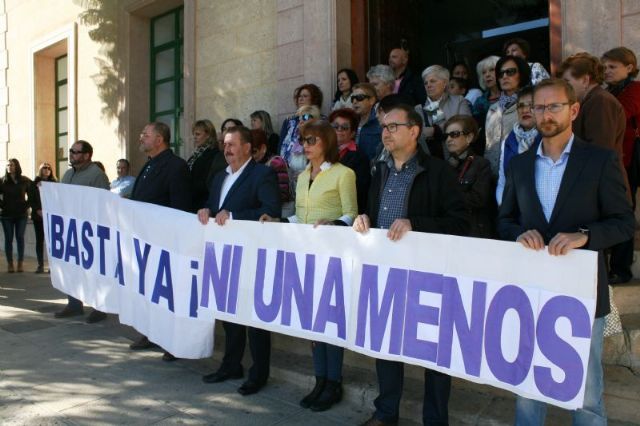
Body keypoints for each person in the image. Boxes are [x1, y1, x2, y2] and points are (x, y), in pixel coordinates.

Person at [498, 78, 634, 426]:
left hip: (582, 293)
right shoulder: (519, 165)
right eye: (538, 107)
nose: (545, 114)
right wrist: (518, 234)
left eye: (553, 106)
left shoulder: (601, 160)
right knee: (528, 386)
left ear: (573, 109)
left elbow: (622, 222)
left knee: (587, 393)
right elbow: (505, 220)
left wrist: (584, 236)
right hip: (531, 292)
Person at [354, 104, 468, 426]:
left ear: (414, 131)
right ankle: (386, 412)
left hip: (429, 275)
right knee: (386, 345)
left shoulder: (439, 172)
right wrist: (365, 219)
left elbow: (460, 223)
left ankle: (435, 420)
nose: (385, 133)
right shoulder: (380, 170)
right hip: (387, 274)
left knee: (434, 353)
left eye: (393, 126)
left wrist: (415, 224)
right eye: (383, 128)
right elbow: (373, 216)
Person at [261, 120, 357, 412]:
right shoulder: (302, 176)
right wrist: (280, 221)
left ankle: (333, 382)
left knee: (330, 321)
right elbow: (300, 217)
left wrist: (335, 222)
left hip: (333, 256)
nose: (306, 145)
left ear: (326, 141)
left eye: (312, 140)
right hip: (305, 257)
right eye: (304, 140)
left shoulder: (344, 174)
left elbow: (352, 214)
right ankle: (319, 380)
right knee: (312, 323)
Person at [199, 126, 281, 396]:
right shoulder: (219, 177)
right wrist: (206, 210)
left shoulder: (262, 174)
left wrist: (234, 216)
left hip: (251, 256)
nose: (227, 149)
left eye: (233, 144)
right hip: (223, 255)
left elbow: (270, 211)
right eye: (225, 144)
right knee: (229, 316)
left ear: (248, 147)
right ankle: (231, 365)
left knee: (255, 320)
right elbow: (214, 207)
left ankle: (259, 374)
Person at [128, 122, 192, 361]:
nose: (140, 137)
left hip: (167, 243)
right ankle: (151, 332)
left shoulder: (176, 167)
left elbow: (181, 207)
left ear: (160, 139)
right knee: (149, 292)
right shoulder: (148, 165)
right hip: (146, 240)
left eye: (146, 134)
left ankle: (173, 341)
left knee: (169, 295)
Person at [54, 141, 110, 323]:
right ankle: (74, 304)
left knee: (93, 271)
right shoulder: (68, 174)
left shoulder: (97, 175)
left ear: (87, 155)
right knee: (71, 268)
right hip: (70, 229)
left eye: (75, 152)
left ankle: (99, 307)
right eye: (71, 151)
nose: (71, 154)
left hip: (90, 231)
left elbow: (104, 202)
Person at [602, 46, 640, 284]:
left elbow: (622, 114)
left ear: (629, 67)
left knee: (625, 210)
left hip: (630, 159)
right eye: (604, 67)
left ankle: (621, 268)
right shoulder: (608, 92)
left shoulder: (635, 88)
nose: (606, 71)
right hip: (617, 159)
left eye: (612, 67)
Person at [444, 115, 495, 238]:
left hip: (473, 231)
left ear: (469, 137)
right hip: (449, 230)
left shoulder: (481, 164)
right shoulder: (443, 165)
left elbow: (478, 199)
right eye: (446, 136)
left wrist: (447, 196)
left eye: (454, 134)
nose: (449, 139)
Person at [485, 55, 531, 177]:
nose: (505, 76)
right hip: (493, 176)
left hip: (520, 174)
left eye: (510, 72)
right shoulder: (492, 108)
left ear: (521, 74)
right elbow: (488, 145)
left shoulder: (529, 105)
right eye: (501, 74)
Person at [496, 86, 541, 204]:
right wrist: (504, 208)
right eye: (521, 106)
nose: (525, 110)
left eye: (531, 105)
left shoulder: (548, 138)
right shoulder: (508, 140)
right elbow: (502, 182)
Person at [416, 65, 471, 160]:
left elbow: (467, 128)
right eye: (426, 83)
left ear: (445, 83)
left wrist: (435, 130)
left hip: (459, 160)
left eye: (433, 81)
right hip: (432, 165)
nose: (428, 85)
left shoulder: (459, 101)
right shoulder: (419, 109)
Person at [330, 108, 371, 213]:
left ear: (352, 133)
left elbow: (360, 191)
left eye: (344, 127)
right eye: (335, 126)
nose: (339, 130)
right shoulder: (322, 153)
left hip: (347, 214)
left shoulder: (360, 157)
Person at [280, 84, 324, 182]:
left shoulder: (322, 121)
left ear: (314, 99)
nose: (301, 99)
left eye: (305, 96)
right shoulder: (289, 121)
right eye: (299, 96)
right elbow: (281, 145)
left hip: (311, 171)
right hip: (288, 172)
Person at [250, 128, 292, 216]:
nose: (251, 156)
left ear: (263, 148)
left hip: (278, 214)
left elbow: (283, 193)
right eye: (248, 153)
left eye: (254, 152)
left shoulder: (276, 162)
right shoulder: (252, 164)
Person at [0, 159, 31, 273]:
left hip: (21, 215)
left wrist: (26, 206)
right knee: (8, 239)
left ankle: (20, 263)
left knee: (20, 238)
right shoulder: (2, 181)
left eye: (12, 165)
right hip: (6, 215)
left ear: (16, 166)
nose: (10, 167)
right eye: (8, 165)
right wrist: (2, 205)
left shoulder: (24, 180)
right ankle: (10, 264)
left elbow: (32, 193)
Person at [29, 162, 57, 273]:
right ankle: (40, 264)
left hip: (51, 216)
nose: (46, 170)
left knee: (51, 241)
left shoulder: (54, 183)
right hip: (39, 216)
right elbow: (31, 198)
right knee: (39, 241)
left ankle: (52, 265)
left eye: (48, 168)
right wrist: (37, 210)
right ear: (40, 170)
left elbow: (57, 198)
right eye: (44, 168)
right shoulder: (34, 183)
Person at [472, 55, 501, 155]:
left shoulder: (512, 96)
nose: (487, 75)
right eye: (483, 72)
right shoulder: (479, 102)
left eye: (491, 70)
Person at [187, 119, 218, 211]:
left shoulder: (213, 154)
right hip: (193, 200)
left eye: (198, 134)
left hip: (203, 203)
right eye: (194, 134)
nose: (194, 137)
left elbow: (207, 181)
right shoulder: (197, 153)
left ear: (208, 135)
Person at [351, 82, 382, 161]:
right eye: (352, 98)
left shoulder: (380, 123)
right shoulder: (351, 122)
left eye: (359, 97)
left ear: (371, 100)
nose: (354, 101)